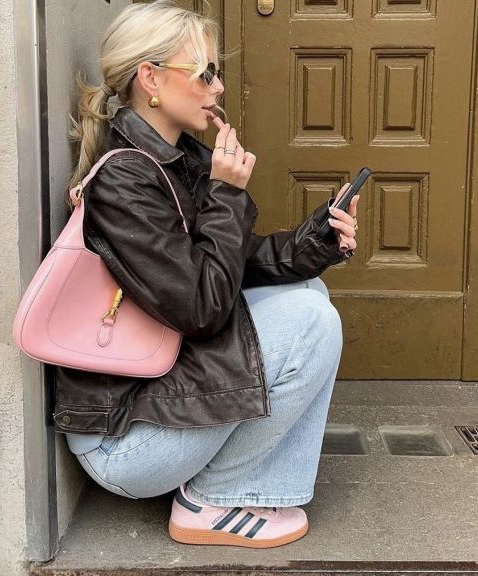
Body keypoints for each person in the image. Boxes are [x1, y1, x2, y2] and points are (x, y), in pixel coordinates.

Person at [54, 0, 361, 549]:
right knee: (310, 321)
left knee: (308, 291)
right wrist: (226, 194)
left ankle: (243, 486)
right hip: (123, 442)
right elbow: (201, 308)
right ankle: (211, 500)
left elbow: (230, 265)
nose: (218, 87)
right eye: (204, 73)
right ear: (150, 78)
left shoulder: (175, 160)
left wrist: (316, 240)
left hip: (158, 397)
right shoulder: (125, 182)